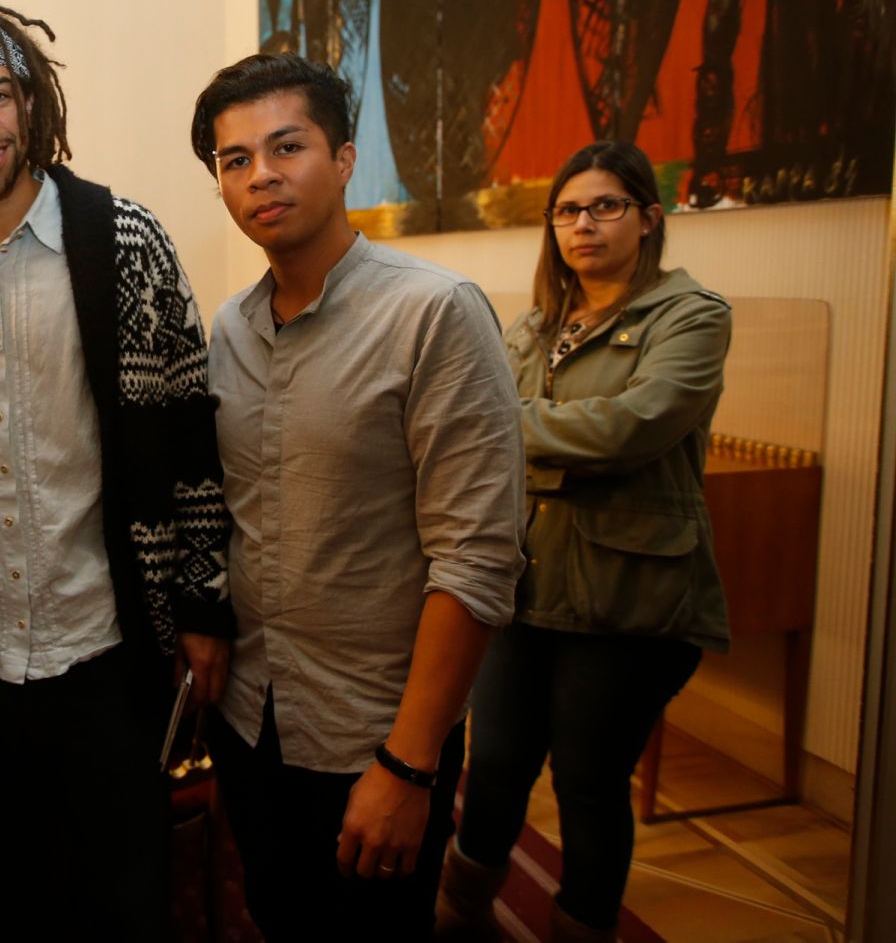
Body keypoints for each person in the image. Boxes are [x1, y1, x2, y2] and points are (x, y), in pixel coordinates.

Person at [0, 0, 235, 940]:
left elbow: (192, 432)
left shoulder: (125, 238)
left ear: (31, 104)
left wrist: (202, 606)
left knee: (124, 895)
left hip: (102, 642)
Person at [190, 52, 524, 939]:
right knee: (277, 913)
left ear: (342, 159)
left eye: (286, 146)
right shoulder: (231, 327)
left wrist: (410, 767)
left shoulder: (435, 313)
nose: (261, 174)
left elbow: (479, 558)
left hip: (372, 731)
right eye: (234, 160)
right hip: (254, 718)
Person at [438, 141, 731, 943]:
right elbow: (501, 437)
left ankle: (581, 928)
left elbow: (629, 429)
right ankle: (461, 912)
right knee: (491, 767)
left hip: (623, 598)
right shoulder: (535, 326)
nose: (583, 224)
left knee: (589, 783)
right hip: (522, 583)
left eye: (605, 206)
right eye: (567, 210)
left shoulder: (693, 317)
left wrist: (506, 431)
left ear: (649, 218)